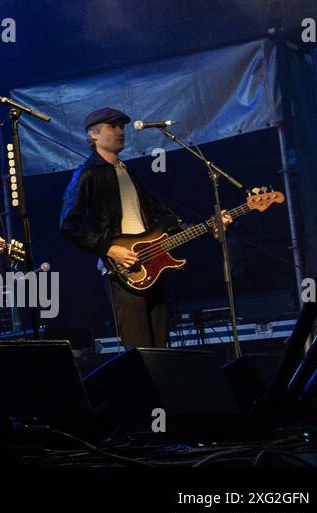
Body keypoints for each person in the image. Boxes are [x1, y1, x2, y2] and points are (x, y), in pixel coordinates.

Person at [59, 107, 229, 350]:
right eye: (112, 126)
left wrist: (209, 227)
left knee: (160, 347)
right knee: (140, 350)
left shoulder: (129, 172)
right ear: (93, 135)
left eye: (122, 126)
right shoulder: (86, 174)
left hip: (153, 264)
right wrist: (109, 249)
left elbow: (165, 220)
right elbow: (68, 224)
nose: (120, 131)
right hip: (122, 270)